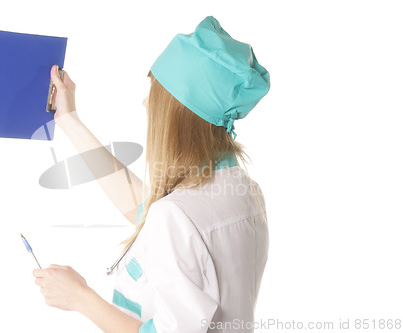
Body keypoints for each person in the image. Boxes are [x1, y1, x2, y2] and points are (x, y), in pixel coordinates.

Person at [33, 15, 270, 333]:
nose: (146, 103)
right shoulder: (243, 190)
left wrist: (80, 298)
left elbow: (167, 218)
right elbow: (152, 212)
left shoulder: (176, 216)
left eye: (154, 92)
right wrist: (69, 120)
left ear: (176, 114)